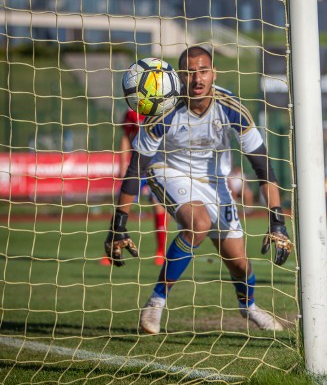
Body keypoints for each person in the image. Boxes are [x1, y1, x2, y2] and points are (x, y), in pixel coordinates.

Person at [104, 46, 291, 333]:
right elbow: (135, 167)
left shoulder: (231, 106)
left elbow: (263, 166)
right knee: (198, 223)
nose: (197, 78)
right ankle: (156, 302)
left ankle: (249, 306)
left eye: (203, 70)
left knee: (239, 264)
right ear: (179, 76)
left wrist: (277, 221)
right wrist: (119, 224)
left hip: (215, 181)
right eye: (190, 72)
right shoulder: (163, 109)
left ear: (213, 73)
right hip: (167, 170)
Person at [101, 108, 168, 267]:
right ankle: (112, 247)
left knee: (158, 205)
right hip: (136, 165)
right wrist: (122, 164)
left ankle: (160, 251)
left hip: (156, 165)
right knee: (122, 205)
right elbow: (126, 137)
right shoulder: (132, 111)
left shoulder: (163, 108)